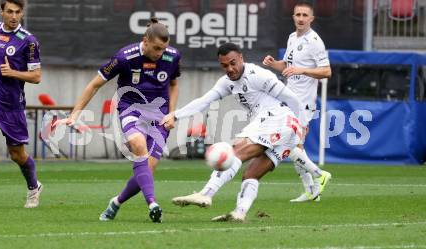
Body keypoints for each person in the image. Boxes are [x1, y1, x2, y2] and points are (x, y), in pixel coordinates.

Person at [161, 42, 307, 222]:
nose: (230, 69)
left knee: (235, 151)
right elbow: (204, 101)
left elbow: (290, 97)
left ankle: (206, 193)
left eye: (233, 63)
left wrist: (303, 126)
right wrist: (176, 115)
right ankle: (239, 213)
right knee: (251, 174)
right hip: (286, 130)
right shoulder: (226, 83)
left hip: (278, 119)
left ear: (241, 58)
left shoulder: (258, 75)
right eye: (224, 65)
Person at [58, 18, 181, 223]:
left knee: (146, 171)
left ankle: (116, 202)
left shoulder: (173, 56)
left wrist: (172, 113)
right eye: (157, 48)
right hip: (131, 111)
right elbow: (94, 84)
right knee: (138, 145)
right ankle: (153, 203)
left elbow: (174, 85)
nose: (160, 53)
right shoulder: (124, 57)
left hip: (159, 116)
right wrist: (75, 114)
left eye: (164, 49)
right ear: (146, 41)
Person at [263, 2, 332, 202]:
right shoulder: (292, 37)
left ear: (311, 19)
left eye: (305, 15)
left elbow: (326, 71)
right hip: (289, 99)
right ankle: (313, 189)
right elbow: (288, 66)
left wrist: (302, 70)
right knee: (294, 146)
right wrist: (273, 64)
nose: (301, 18)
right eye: (298, 14)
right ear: (293, 17)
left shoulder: (315, 41)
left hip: (303, 104)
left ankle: (318, 179)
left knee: (291, 145)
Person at [0, 0, 42, 208]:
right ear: (1, 12)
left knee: (17, 154)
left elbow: (36, 76)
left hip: (11, 106)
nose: (13, 16)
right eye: (9, 11)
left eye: (18, 12)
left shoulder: (28, 41)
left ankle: (33, 187)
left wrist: (13, 73)